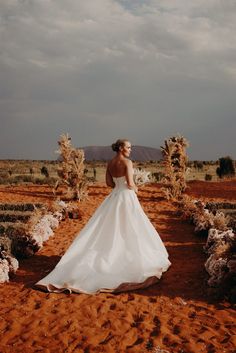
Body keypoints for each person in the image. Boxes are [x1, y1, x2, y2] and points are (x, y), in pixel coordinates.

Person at [35, 139, 171, 294]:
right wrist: (136, 187)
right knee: (131, 226)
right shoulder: (127, 162)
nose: (130, 149)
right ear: (120, 148)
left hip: (114, 196)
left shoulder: (110, 163)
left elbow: (109, 183)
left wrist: (119, 185)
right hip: (126, 196)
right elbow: (130, 183)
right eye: (128, 147)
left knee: (109, 226)